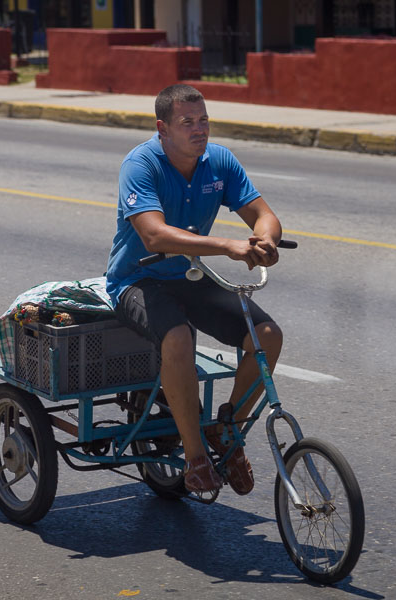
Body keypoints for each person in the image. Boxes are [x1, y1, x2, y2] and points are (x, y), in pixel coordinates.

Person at [105, 84, 284, 495]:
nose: (198, 129)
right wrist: (228, 246)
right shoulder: (141, 164)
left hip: (189, 275)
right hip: (137, 280)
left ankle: (227, 432)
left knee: (268, 337)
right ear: (163, 128)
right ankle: (195, 456)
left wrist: (265, 240)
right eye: (187, 122)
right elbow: (153, 235)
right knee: (179, 337)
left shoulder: (218, 161)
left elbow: (263, 214)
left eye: (203, 119)